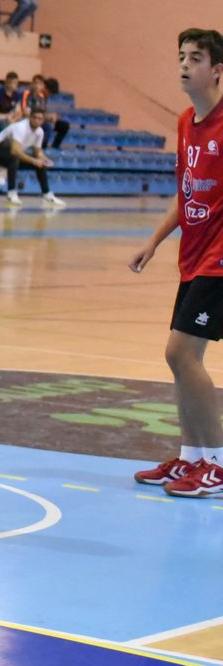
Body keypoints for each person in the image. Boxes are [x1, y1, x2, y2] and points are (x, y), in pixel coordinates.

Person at [129, 28, 223, 497]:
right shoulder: (187, 122)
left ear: (217, 71)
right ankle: (191, 460)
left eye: (196, 58)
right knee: (184, 359)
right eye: (181, 56)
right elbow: (185, 194)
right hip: (193, 257)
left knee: (180, 352)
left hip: (219, 262)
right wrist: (154, 241)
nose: (184, 65)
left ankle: (217, 465)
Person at [0, 107, 66, 206]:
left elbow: (38, 153)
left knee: (39, 164)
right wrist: (33, 161)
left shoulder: (39, 132)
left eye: (40, 119)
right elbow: (15, 150)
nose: (37, 120)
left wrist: (45, 160)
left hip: (10, 153)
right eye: (35, 117)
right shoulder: (21, 127)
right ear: (30, 117)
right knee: (14, 158)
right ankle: (11, 193)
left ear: (43, 120)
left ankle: (47, 195)